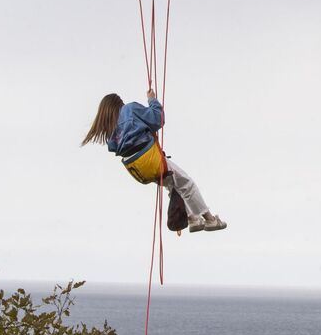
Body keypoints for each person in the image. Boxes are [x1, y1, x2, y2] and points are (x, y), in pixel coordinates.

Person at [82, 88, 226, 232]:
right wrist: (152, 100)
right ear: (119, 104)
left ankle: (193, 218)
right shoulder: (129, 109)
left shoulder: (111, 130)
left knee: (174, 185)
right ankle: (210, 220)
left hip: (138, 169)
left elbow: (115, 147)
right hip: (148, 158)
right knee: (186, 183)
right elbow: (158, 119)